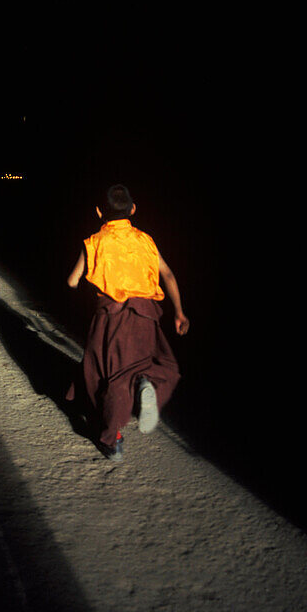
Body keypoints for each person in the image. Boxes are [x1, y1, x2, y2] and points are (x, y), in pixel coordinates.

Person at [65, 184, 189, 460]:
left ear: (99, 212)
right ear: (133, 210)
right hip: (146, 314)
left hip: (110, 316)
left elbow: (72, 281)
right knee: (154, 364)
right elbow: (167, 276)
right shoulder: (146, 240)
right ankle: (147, 385)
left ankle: (113, 440)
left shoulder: (94, 241)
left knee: (107, 375)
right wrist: (179, 312)